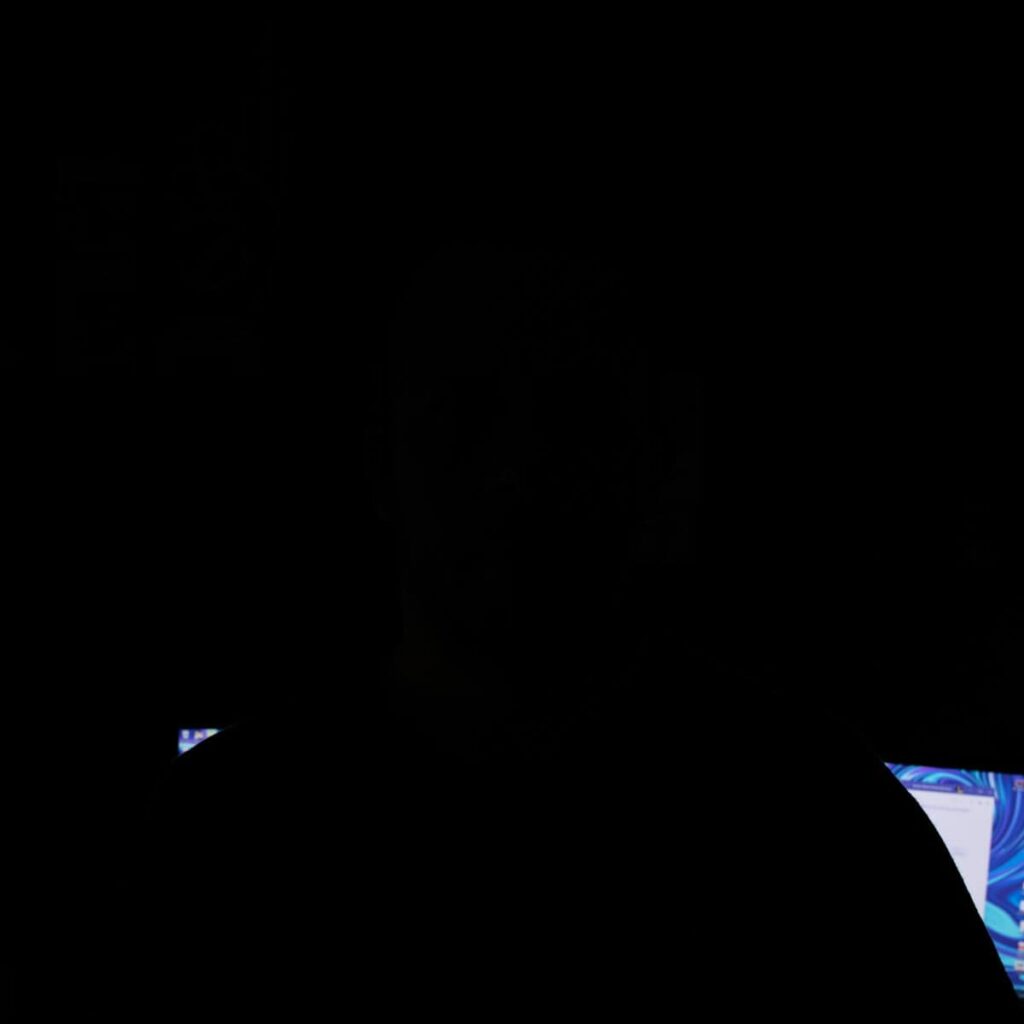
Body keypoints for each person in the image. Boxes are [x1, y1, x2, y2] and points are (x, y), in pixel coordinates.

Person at [112, 241, 1018, 1017]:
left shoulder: (223, 827)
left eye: (579, 416)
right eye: (473, 415)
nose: (522, 474)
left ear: (664, 461)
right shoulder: (828, 821)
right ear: (380, 461)